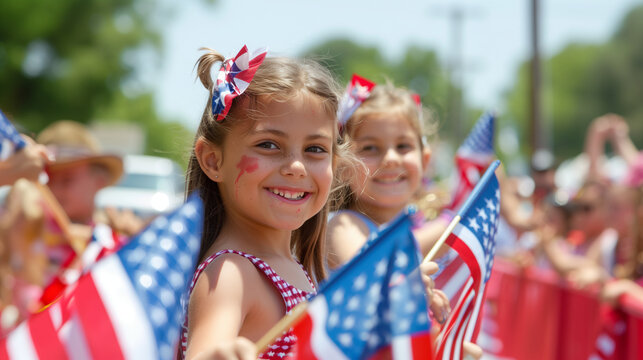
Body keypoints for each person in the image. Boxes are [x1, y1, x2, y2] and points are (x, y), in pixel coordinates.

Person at [180, 46, 352, 360]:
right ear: (213, 160)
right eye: (269, 145)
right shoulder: (232, 273)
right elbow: (205, 353)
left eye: (315, 149)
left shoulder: (300, 270)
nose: (296, 166)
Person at [324, 77, 481, 357]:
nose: (391, 159)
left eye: (404, 146)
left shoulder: (417, 224)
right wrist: (456, 222)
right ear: (343, 165)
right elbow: (373, 272)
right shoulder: (341, 225)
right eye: (370, 148)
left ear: (425, 159)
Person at [36, 120, 124, 226]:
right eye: (47, 179)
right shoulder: (25, 236)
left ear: (99, 181)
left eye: (67, 180)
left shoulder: (112, 239)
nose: (55, 189)